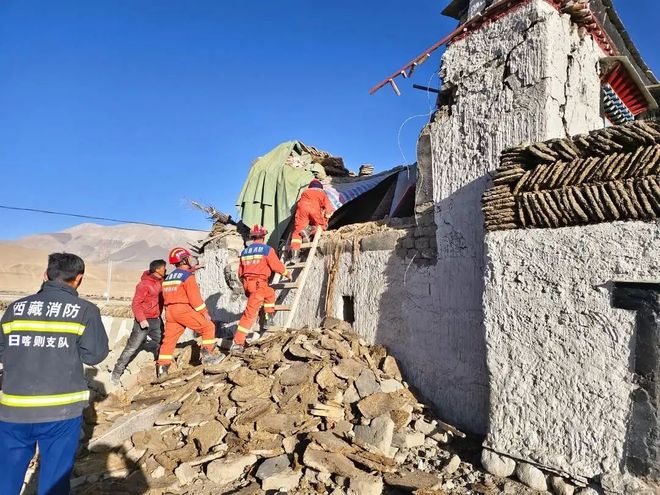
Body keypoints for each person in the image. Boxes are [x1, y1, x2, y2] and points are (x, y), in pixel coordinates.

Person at [0, 252, 109, 495]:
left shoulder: (16, 308)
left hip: (13, 410)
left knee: (5, 480)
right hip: (60, 411)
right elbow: (95, 355)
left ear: (46, 275)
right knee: (54, 483)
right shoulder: (85, 310)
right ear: (79, 278)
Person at [156, 247, 224, 380]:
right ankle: (208, 356)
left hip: (170, 312)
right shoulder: (188, 277)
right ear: (184, 259)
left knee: (169, 340)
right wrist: (204, 312)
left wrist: (195, 268)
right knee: (208, 327)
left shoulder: (168, 278)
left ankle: (162, 368)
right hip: (183, 310)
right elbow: (195, 298)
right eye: (187, 258)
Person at [233, 225, 291, 351]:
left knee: (270, 293)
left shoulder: (245, 252)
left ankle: (267, 319)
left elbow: (239, 273)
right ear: (263, 236)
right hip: (259, 284)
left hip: (249, 284)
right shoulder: (266, 249)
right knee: (249, 314)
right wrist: (287, 273)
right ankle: (238, 342)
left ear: (252, 237)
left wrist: (247, 285)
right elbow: (276, 266)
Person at [111, 259, 167, 385]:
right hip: (143, 321)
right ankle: (116, 372)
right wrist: (142, 319)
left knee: (163, 343)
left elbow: (178, 275)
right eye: (164, 268)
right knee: (132, 347)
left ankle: (161, 368)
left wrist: (193, 269)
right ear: (157, 270)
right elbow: (136, 303)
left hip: (156, 320)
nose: (166, 270)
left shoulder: (162, 280)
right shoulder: (143, 284)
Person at [290, 179, 335, 261]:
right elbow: (328, 207)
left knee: (297, 231)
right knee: (321, 226)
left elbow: (298, 205)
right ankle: (309, 230)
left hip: (302, 209)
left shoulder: (304, 193)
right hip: (314, 208)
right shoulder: (322, 193)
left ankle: (295, 256)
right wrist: (327, 215)